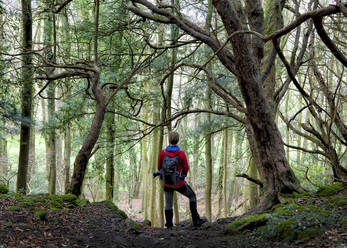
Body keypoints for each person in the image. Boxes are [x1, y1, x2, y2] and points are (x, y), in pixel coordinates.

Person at [156, 131, 206, 229]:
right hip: (179, 184)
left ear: (169, 140)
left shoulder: (163, 153)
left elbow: (159, 167)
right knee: (192, 196)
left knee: (168, 204)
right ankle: (196, 220)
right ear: (177, 140)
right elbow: (186, 168)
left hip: (167, 184)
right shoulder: (181, 153)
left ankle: (169, 226)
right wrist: (182, 176)